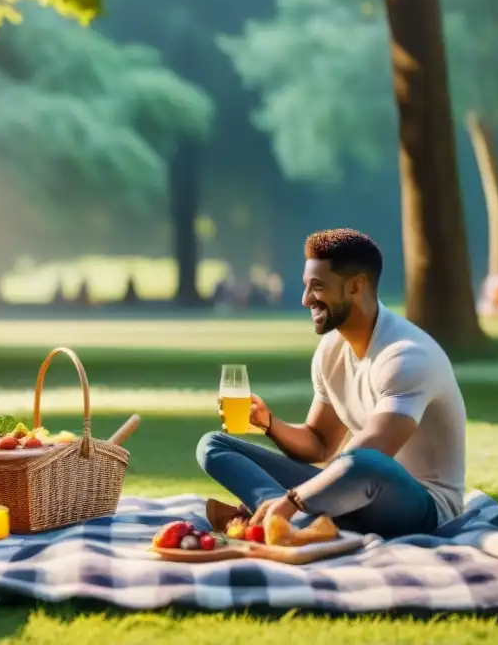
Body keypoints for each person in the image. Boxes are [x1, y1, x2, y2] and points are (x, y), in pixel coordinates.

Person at [197, 229, 467, 539]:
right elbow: (320, 443)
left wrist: (294, 499)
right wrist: (268, 423)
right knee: (213, 445)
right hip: (345, 483)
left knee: (364, 461)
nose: (305, 299)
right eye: (306, 287)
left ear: (355, 286)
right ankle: (280, 518)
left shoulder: (406, 357)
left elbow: (371, 456)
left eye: (318, 287)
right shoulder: (331, 350)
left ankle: (284, 516)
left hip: (422, 506)